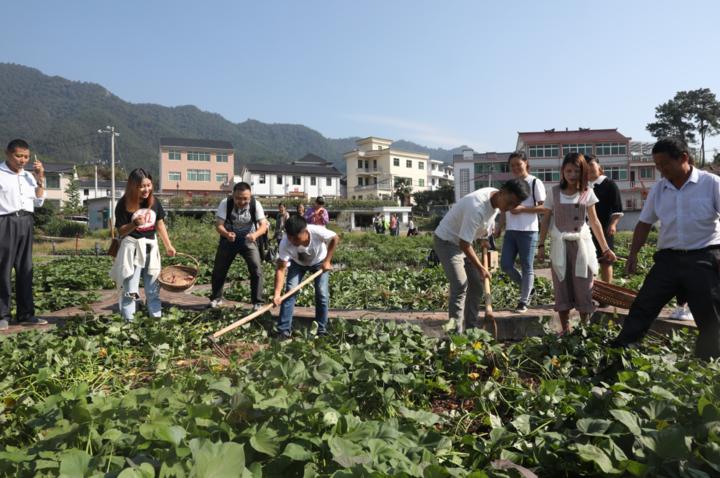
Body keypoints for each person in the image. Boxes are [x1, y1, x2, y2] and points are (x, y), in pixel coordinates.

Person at [611, 138, 720, 359]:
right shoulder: (659, 189)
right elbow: (644, 223)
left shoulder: (712, 184)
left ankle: (707, 363)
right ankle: (620, 355)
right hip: (668, 260)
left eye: (664, 164)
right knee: (643, 306)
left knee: (710, 315)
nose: (661, 170)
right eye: (657, 166)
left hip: (703, 257)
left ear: (683, 158)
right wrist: (633, 254)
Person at [434, 179, 530, 333]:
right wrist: (480, 268)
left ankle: (470, 328)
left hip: (464, 242)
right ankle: (455, 334)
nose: (511, 208)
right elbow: (464, 244)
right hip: (447, 242)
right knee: (460, 285)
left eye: (515, 205)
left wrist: (484, 238)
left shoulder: (496, 200)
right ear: (503, 192)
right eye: (510, 202)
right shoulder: (477, 207)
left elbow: (484, 225)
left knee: (477, 286)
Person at [538, 153, 616, 334]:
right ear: (562, 171)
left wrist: (605, 248)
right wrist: (541, 245)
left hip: (582, 246)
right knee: (561, 285)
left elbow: (595, 222)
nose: (572, 174)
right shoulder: (554, 192)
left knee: (584, 285)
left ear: (583, 172)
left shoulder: (586, 192)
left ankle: (584, 329)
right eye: (568, 170)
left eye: (577, 170)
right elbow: (545, 220)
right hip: (560, 246)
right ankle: (565, 329)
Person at [110, 168, 176, 322]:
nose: (146, 189)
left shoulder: (154, 202)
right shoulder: (123, 204)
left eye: (148, 185)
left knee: (153, 291)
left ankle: (156, 321)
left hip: (151, 251)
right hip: (132, 251)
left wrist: (168, 245)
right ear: (133, 187)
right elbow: (121, 231)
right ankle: (129, 324)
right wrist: (134, 224)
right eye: (142, 186)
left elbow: (159, 224)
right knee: (130, 292)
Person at [0, 139, 46, 330]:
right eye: (18, 156)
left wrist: (40, 178)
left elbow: (39, 201)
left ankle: (26, 314)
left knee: (25, 269)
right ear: (8, 154)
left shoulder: (29, 176)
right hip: (5, 221)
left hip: (26, 221)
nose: (22, 160)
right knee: (3, 269)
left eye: (26, 157)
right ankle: (2, 315)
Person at [272, 215, 340, 339]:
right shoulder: (285, 243)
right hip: (297, 264)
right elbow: (281, 269)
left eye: (296, 238)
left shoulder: (316, 231)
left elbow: (335, 238)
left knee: (322, 294)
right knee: (290, 291)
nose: (293, 241)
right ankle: (283, 330)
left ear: (305, 231)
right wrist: (277, 294)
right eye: (290, 237)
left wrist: (327, 261)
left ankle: (321, 330)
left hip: (319, 263)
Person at [495, 152, 546, 313]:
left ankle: (523, 301)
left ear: (526, 163)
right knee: (505, 265)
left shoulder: (535, 182)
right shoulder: (509, 184)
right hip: (511, 230)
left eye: (519, 164)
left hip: (528, 231)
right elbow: (503, 208)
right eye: (512, 165)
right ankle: (528, 289)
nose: (516, 168)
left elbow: (544, 208)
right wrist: (499, 226)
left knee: (527, 266)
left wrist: (523, 209)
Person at [209, 182, 269, 309]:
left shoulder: (255, 204)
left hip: (248, 239)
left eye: (245, 198)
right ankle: (216, 298)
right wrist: (226, 234)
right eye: (238, 198)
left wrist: (255, 235)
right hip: (229, 239)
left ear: (250, 196)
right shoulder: (225, 203)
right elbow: (219, 225)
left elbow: (263, 225)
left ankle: (257, 302)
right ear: (233, 195)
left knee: (256, 269)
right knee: (219, 269)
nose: (242, 201)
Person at [586, 154, 623, 284]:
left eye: (591, 165)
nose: (589, 169)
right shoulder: (582, 186)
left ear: (599, 167)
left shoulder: (609, 184)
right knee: (587, 261)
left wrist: (613, 224)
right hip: (585, 229)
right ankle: (589, 293)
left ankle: (606, 294)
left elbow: (617, 210)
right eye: (585, 166)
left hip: (604, 228)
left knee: (605, 260)